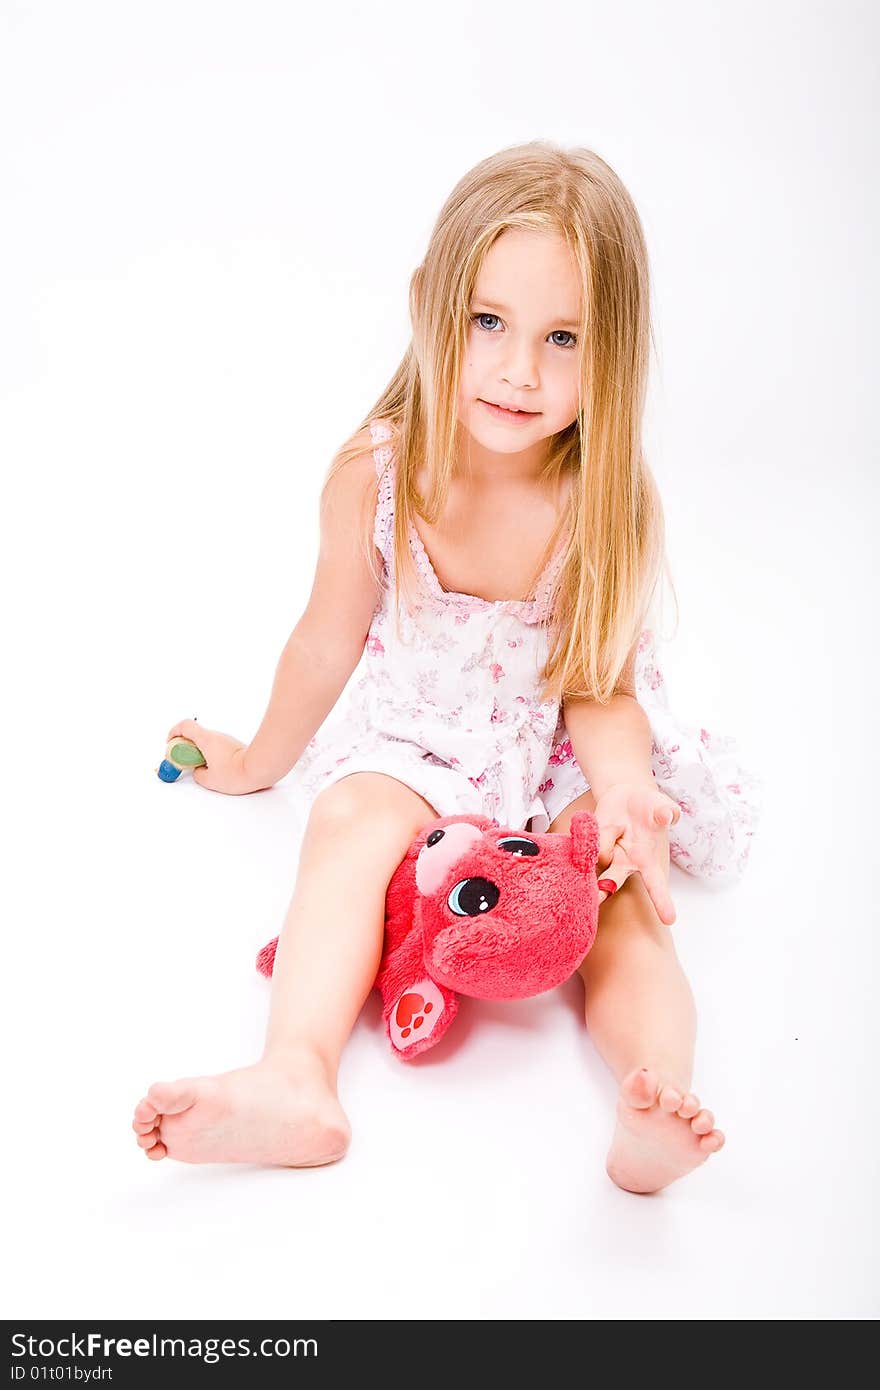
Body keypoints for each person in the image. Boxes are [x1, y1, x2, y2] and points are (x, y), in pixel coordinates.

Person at [132, 140, 761, 1193]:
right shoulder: (375, 473)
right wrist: (255, 760)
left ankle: (653, 1100)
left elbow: (599, 679)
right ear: (430, 304)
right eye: (489, 322)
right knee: (347, 825)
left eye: (564, 337)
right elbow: (327, 637)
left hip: (559, 748)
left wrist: (617, 788)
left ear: (615, 348)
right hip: (417, 734)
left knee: (622, 909)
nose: (520, 370)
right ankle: (296, 1077)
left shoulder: (602, 499)